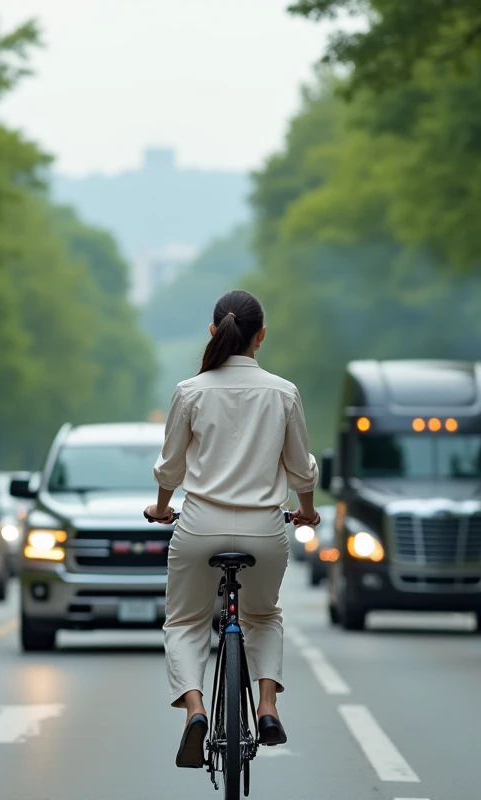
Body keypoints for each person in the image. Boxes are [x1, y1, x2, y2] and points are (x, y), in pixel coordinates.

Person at [145, 289, 319, 769]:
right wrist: (305, 509)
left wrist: (162, 508)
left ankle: (196, 712)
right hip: (265, 531)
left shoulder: (190, 391)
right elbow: (301, 470)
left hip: (200, 528)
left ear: (213, 331)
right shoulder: (283, 392)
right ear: (261, 336)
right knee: (263, 616)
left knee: (185, 621)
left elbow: (170, 469)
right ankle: (266, 706)